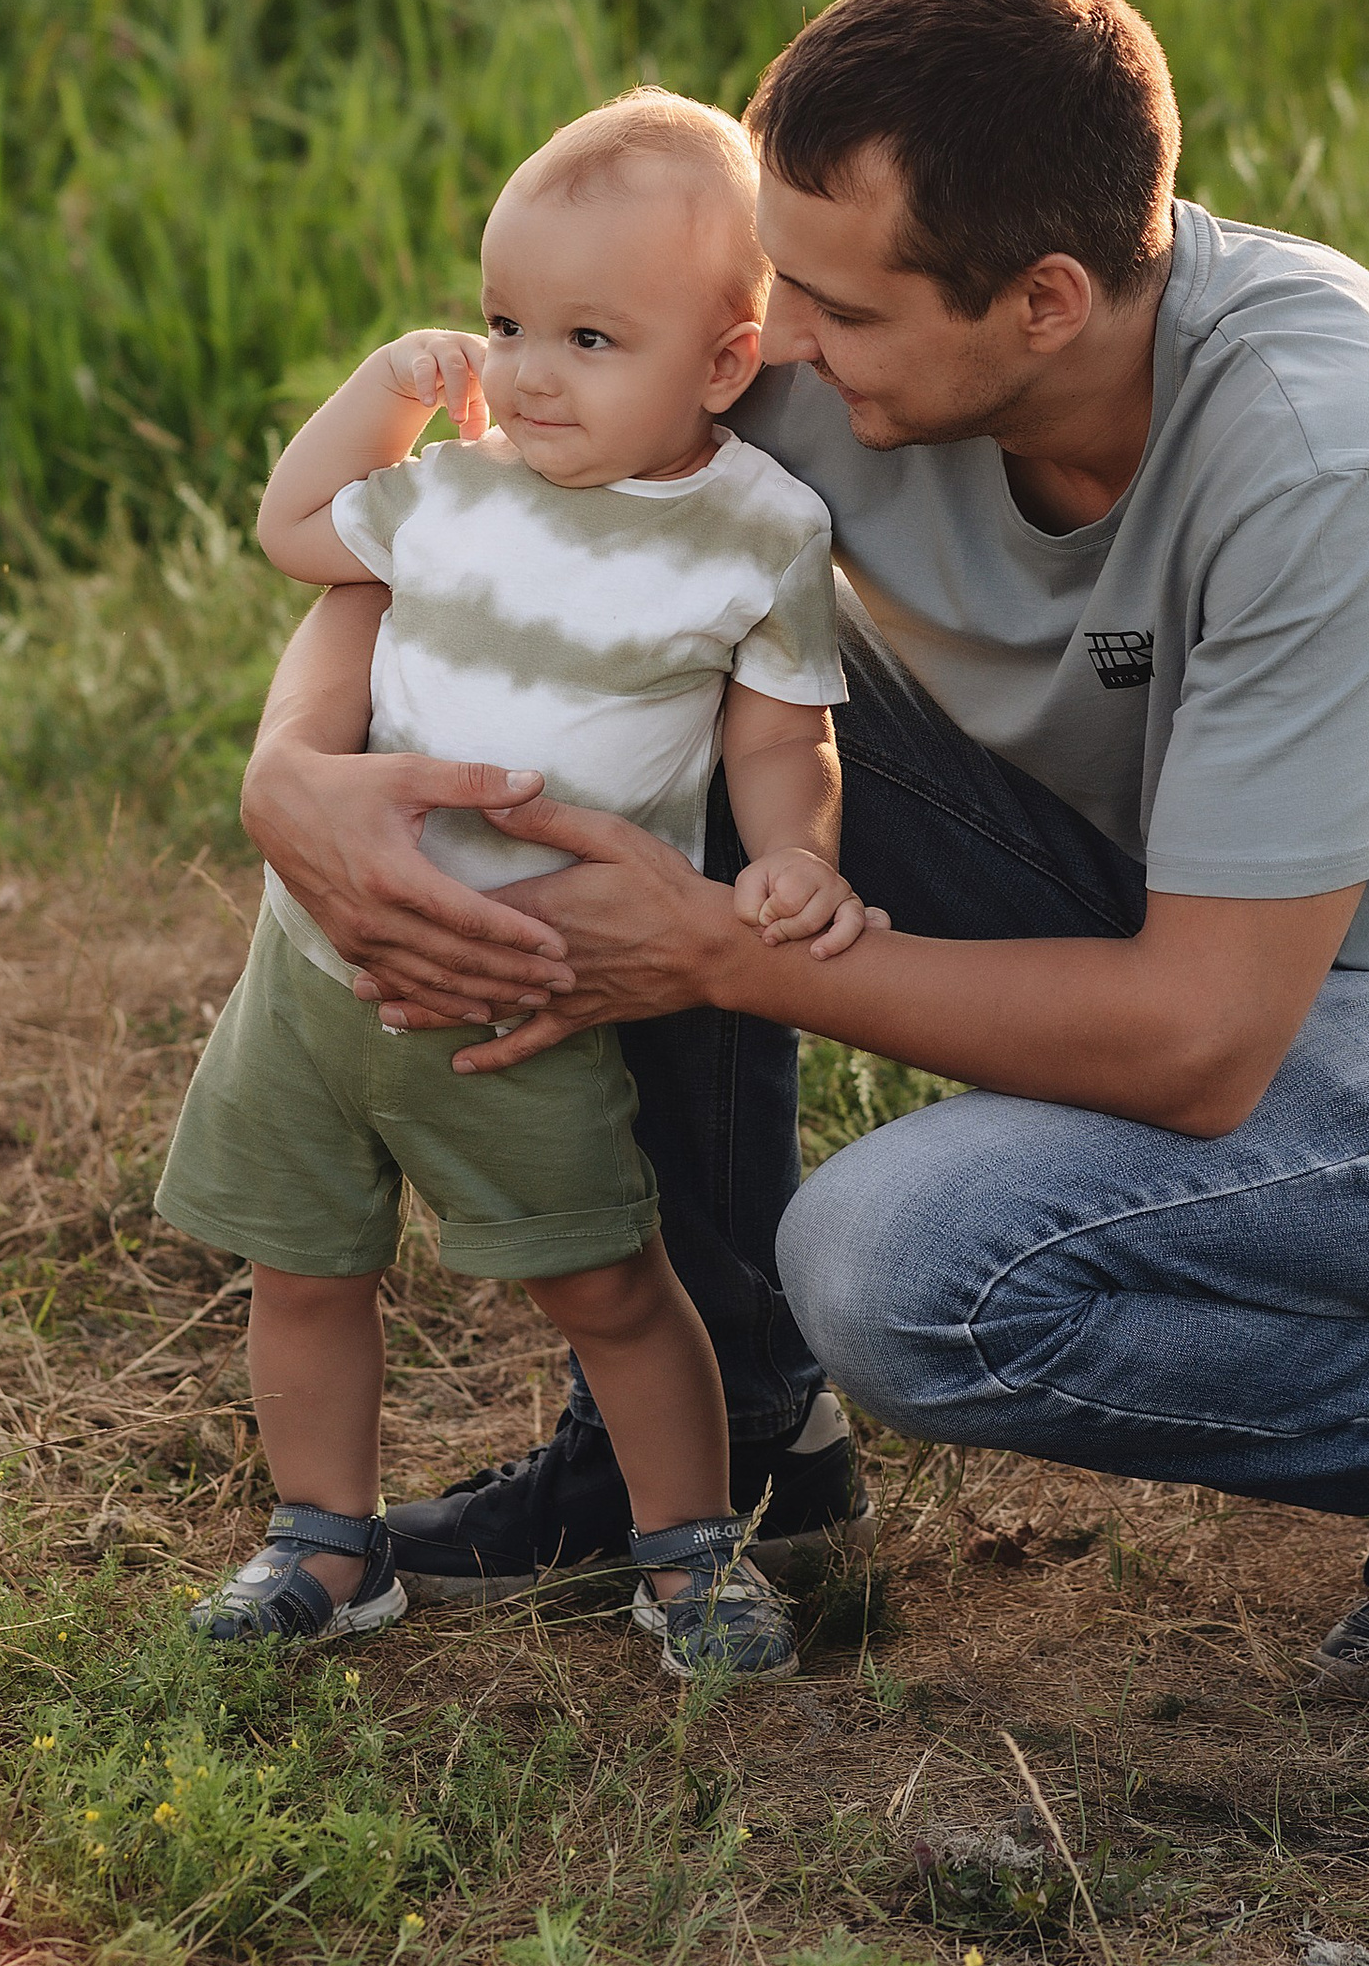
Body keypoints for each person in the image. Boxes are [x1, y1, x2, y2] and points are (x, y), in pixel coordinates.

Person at [245, 0, 1369, 1705]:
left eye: (836, 312)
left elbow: (1199, 1041)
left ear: (1043, 300)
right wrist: (291, 769)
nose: (776, 346)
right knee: (671, 741)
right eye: (777, 287)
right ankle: (730, 1435)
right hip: (1182, 887)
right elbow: (489, 509)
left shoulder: (1341, 460)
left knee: (902, 1271)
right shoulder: (823, 330)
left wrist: (722, 951)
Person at [155, 90, 871, 1685]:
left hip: (522, 987)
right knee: (305, 1260)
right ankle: (324, 1540)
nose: (530, 370)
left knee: (610, 1277)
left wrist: (793, 858)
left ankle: (687, 1550)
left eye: (590, 338)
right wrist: (380, 395)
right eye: (505, 323)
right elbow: (294, 530)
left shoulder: (759, 532)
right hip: (320, 967)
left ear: (724, 362)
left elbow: (779, 736)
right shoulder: (456, 487)